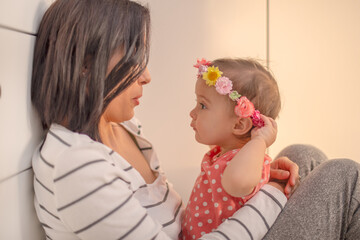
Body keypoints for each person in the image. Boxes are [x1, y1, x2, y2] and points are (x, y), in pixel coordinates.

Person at [30, 0, 360, 239]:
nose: (146, 76)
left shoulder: (124, 130)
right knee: (344, 176)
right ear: (85, 63)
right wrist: (273, 193)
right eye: (134, 59)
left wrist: (264, 183)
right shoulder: (77, 166)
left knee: (304, 155)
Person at [181, 58, 281, 239]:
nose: (192, 112)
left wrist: (260, 141)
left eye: (202, 105)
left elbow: (237, 182)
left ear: (240, 125)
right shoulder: (223, 151)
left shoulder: (246, 163)